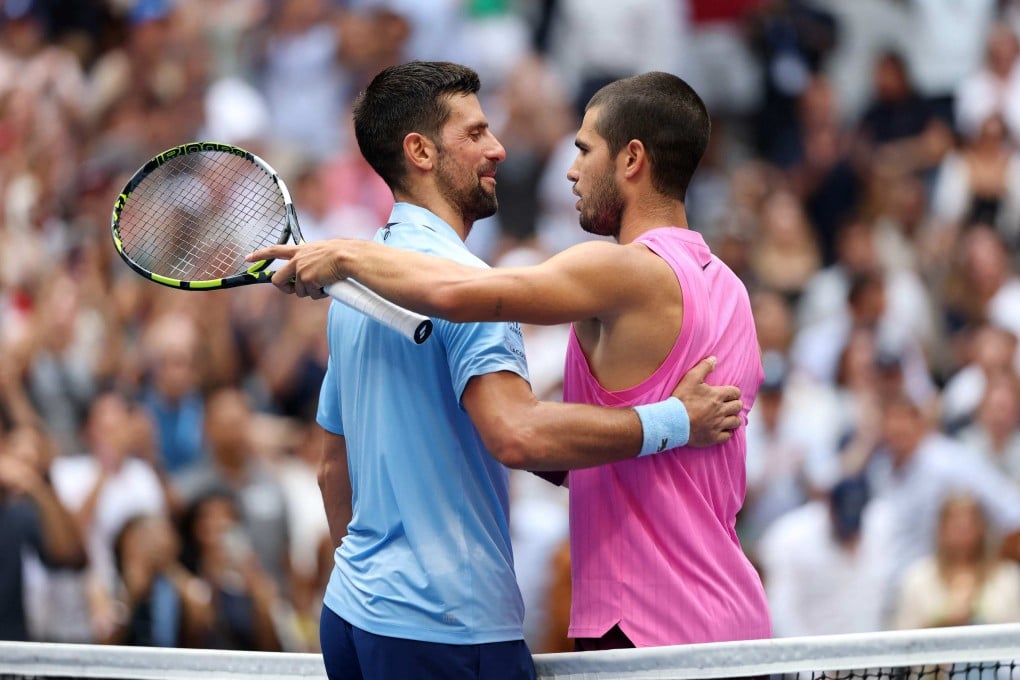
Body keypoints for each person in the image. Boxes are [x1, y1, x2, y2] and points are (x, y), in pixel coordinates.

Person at [251, 66, 769, 654]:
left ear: (631, 160)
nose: (569, 169)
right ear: (419, 151)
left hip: (646, 627)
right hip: (721, 620)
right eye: (476, 134)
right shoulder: (732, 290)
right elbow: (558, 448)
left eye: (583, 150)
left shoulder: (610, 270)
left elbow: (463, 301)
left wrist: (346, 254)